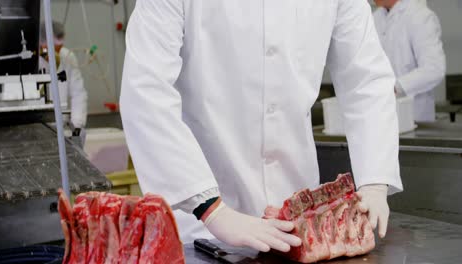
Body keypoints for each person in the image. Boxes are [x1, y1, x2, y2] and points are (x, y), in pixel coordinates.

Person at [120, 0, 404, 253]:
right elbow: (145, 90)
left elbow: (366, 81)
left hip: (297, 221)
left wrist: (375, 180)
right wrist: (210, 209)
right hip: (199, 224)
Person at [373, 0, 446, 122]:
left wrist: (396, 87)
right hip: (380, 115)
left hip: (415, 118)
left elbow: (434, 68)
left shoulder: (419, 15)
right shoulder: (375, 18)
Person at [39, 21, 88, 142]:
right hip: (36, 128)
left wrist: (77, 125)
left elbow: (78, 94)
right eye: (52, 48)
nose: (56, 54)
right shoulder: (29, 59)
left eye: (59, 49)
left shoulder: (67, 57)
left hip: (61, 126)